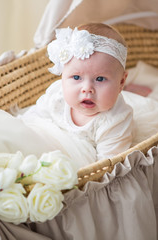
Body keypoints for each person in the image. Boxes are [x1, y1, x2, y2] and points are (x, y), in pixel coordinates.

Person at [19, 23, 133, 164]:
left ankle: (156, 91)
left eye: (100, 79)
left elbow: (108, 165)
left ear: (121, 82)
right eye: (77, 77)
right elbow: (33, 118)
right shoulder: (57, 95)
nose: (87, 88)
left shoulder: (116, 120)